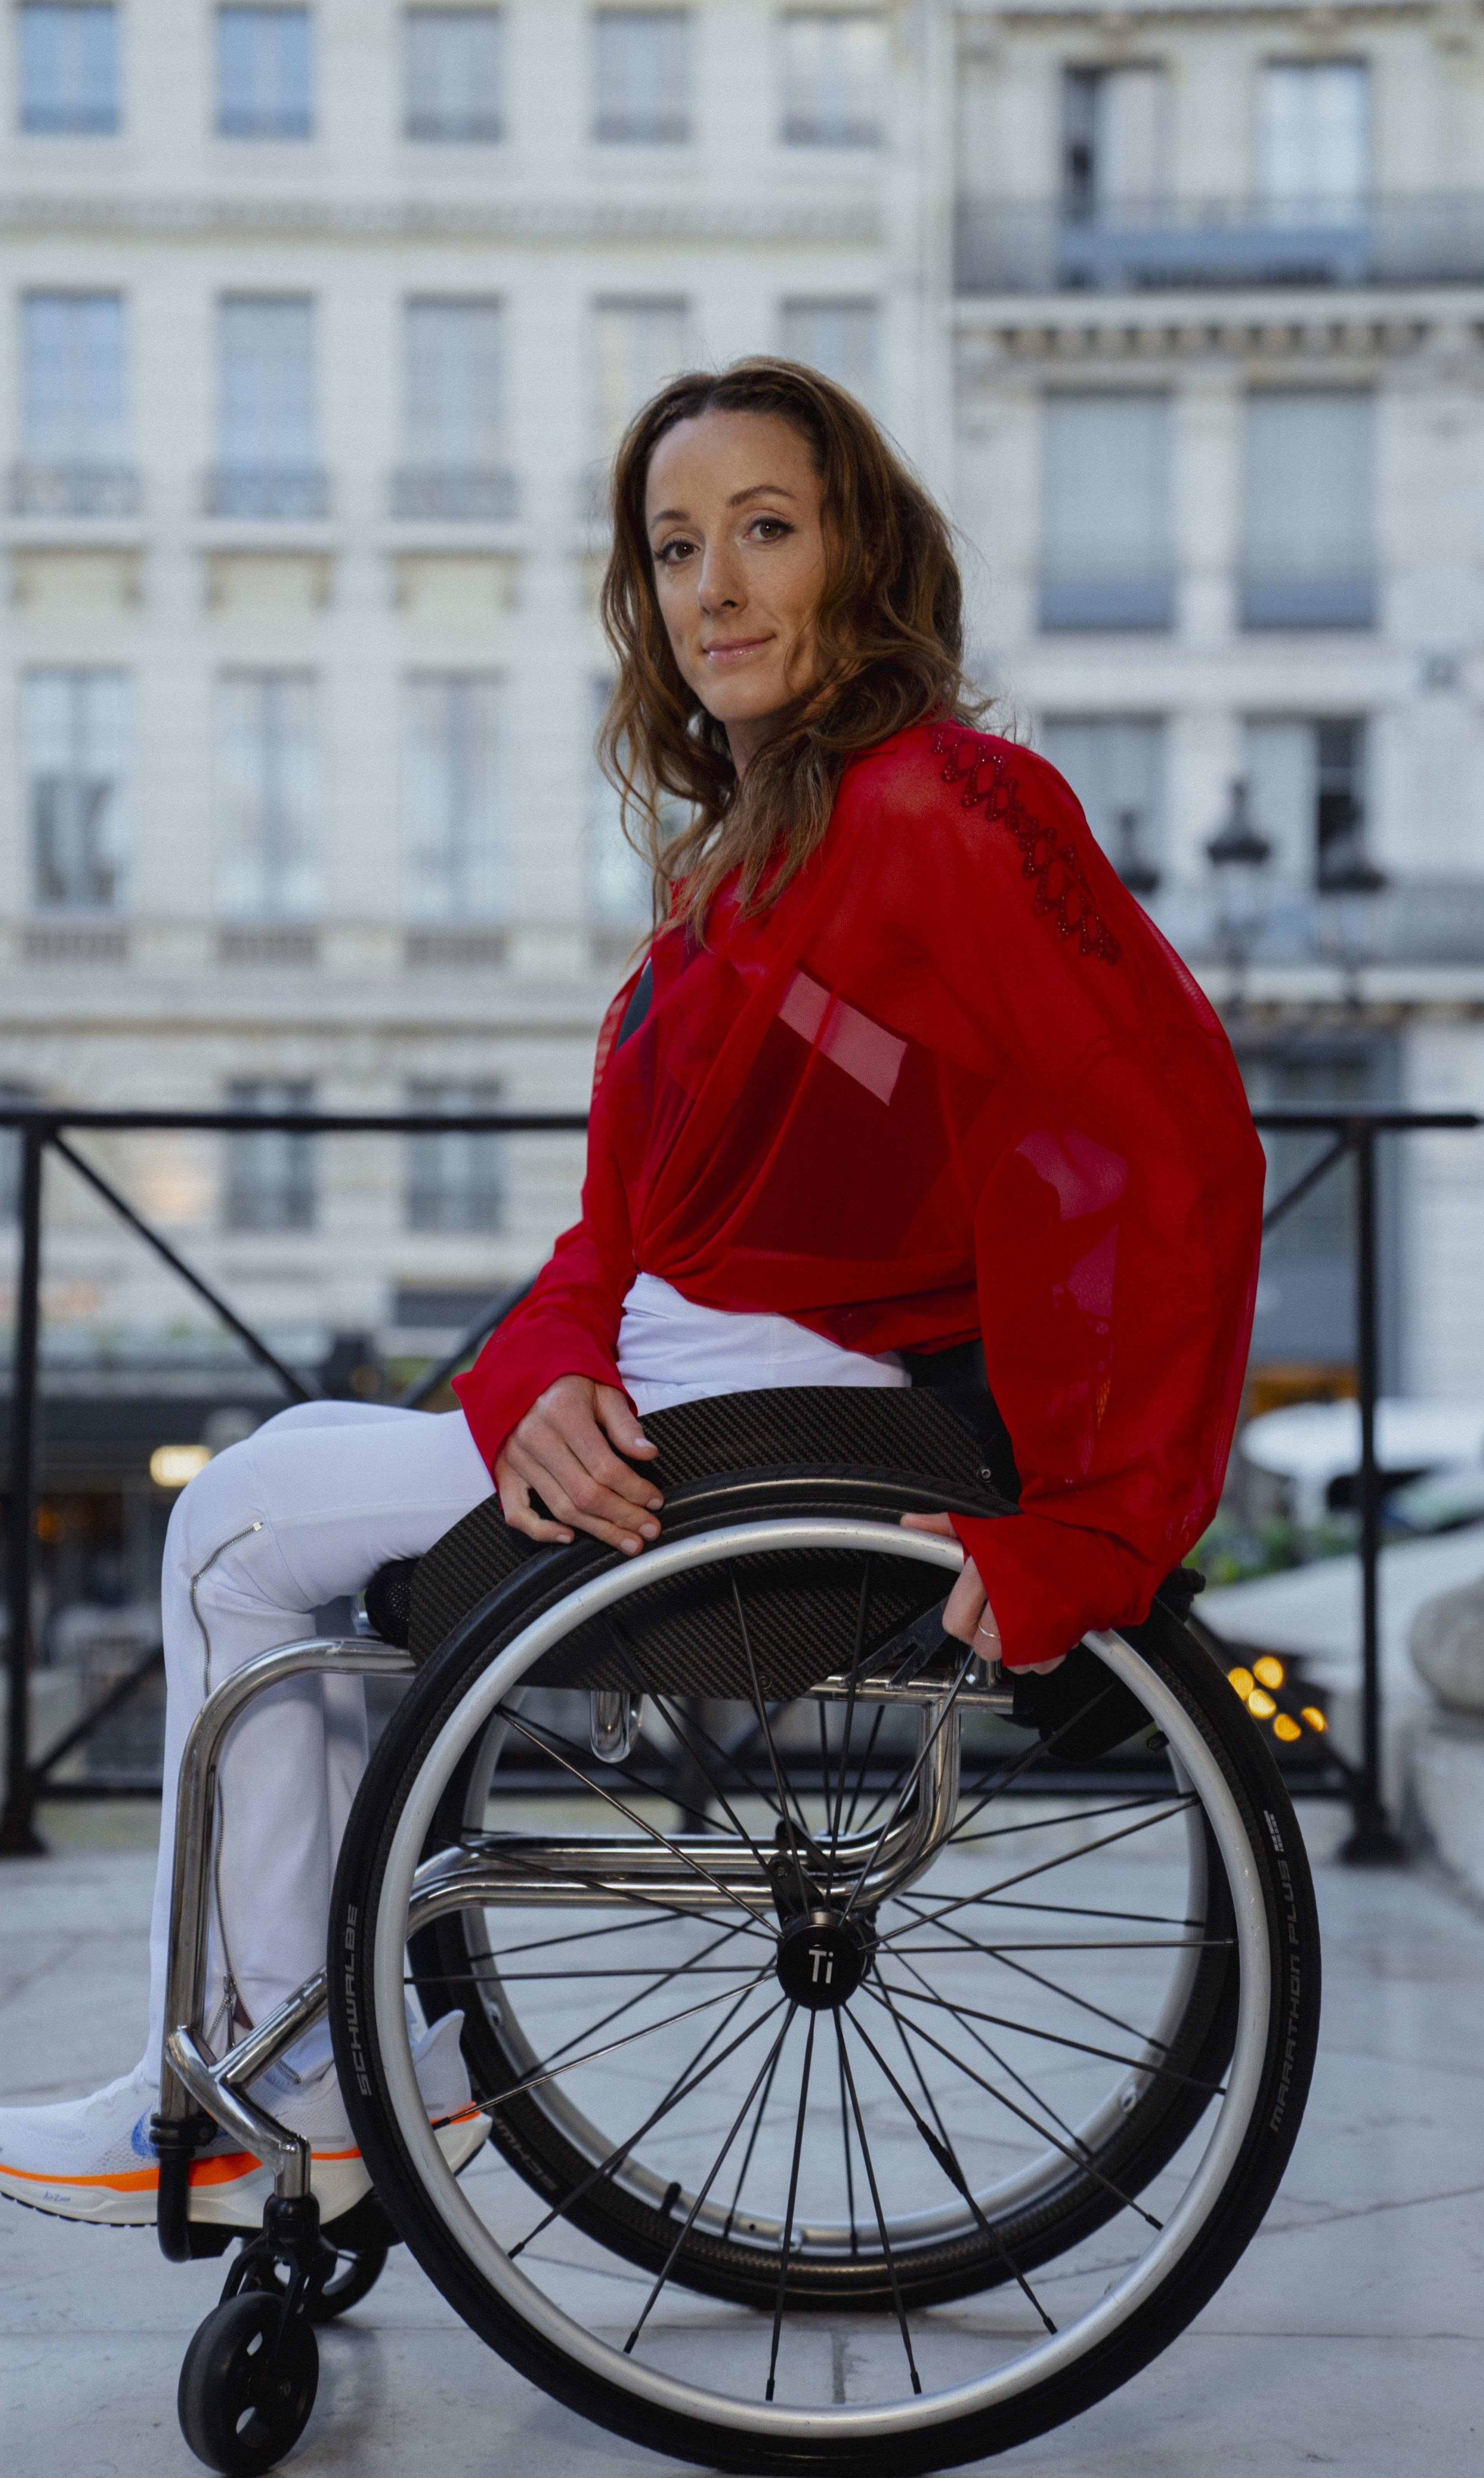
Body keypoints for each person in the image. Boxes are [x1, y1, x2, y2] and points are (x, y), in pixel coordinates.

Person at [0, 358, 1264, 2231]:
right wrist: (533, 1374)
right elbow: (620, 1236)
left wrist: (1102, 1520)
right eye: (679, 548)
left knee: (235, 1526)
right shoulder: (735, 873)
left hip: (787, 1420)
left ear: (862, 555)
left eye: (769, 530)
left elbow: (1167, 1142)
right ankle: (330, 2057)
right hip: (682, 1385)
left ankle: (308, 2078)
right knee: (268, 1515)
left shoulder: (947, 807)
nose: (718, 589)